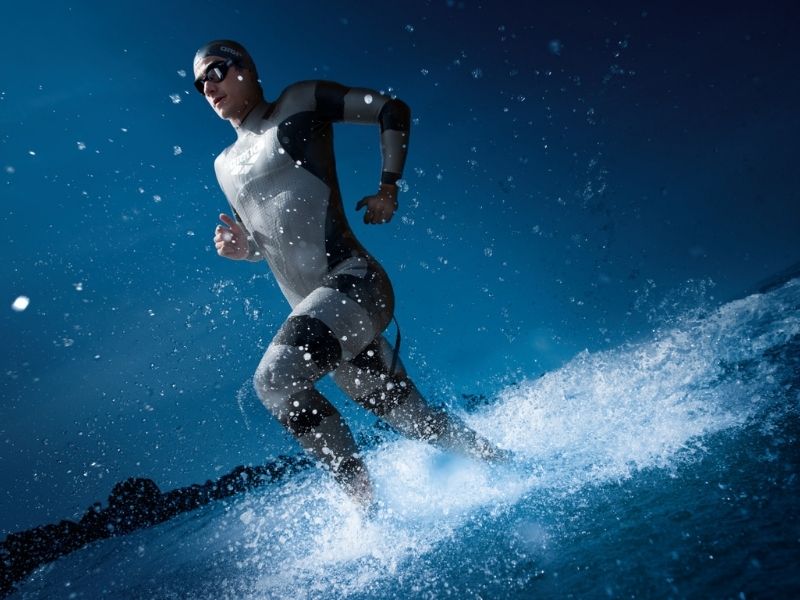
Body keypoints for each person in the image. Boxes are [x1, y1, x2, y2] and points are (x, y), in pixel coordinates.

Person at [193, 39, 508, 513]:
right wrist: (246, 251)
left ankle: (362, 512)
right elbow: (273, 239)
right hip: (323, 314)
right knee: (415, 421)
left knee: (275, 381)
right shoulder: (223, 166)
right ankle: (509, 466)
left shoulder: (298, 103)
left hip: (354, 281)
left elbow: (391, 109)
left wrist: (389, 186)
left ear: (248, 69)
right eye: (199, 83)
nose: (207, 86)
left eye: (215, 71)